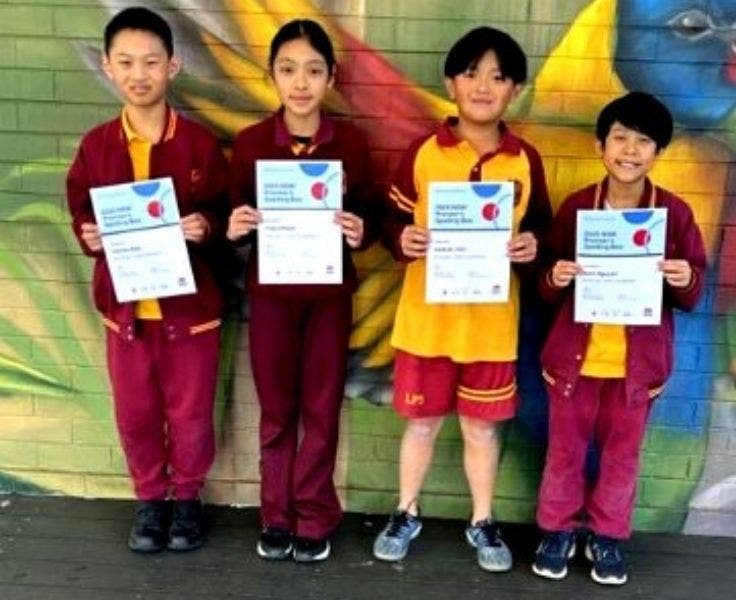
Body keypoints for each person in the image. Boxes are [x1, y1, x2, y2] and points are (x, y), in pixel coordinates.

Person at [372, 26, 551, 572]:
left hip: (491, 327)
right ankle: (405, 511)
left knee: (480, 426)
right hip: (427, 325)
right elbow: (392, 221)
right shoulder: (423, 154)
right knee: (421, 423)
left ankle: (482, 519)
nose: (482, 86)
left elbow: (541, 230)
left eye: (498, 77)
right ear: (451, 82)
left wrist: (531, 246)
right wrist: (401, 238)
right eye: (471, 73)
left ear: (514, 90)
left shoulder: (524, 161)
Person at [66, 6, 228, 553]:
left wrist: (205, 225)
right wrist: (88, 235)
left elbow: (225, 216)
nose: (140, 74)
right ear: (109, 68)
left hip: (190, 313)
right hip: (126, 312)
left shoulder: (200, 145)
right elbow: (81, 213)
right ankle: (150, 501)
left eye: (151, 62)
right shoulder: (96, 147)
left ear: (173, 67)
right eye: (127, 62)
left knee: (190, 414)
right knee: (135, 413)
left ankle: (186, 501)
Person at [531, 92, 706, 585]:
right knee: (564, 452)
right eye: (620, 138)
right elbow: (543, 284)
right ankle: (558, 530)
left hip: (636, 368)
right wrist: (557, 276)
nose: (630, 150)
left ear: (659, 152)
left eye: (643, 141)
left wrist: (680, 275)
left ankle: (606, 537)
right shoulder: (576, 208)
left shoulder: (674, 214)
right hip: (572, 363)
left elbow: (694, 291)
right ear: (600, 145)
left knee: (621, 457)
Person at [227, 19, 375, 563]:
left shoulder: (351, 145)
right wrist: (236, 224)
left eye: (314, 70)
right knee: (277, 410)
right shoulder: (250, 146)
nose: (301, 82)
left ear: (330, 77)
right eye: (288, 69)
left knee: (320, 407)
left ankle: (314, 514)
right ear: (272, 76)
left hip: (328, 298)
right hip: (270, 296)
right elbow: (231, 213)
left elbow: (371, 214)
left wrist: (362, 229)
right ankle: (276, 515)